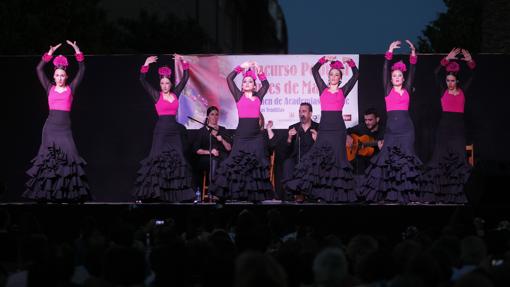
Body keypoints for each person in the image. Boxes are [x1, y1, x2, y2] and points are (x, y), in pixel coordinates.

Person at [285, 55, 359, 202]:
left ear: (340, 78)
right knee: (321, 160)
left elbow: (356, 75)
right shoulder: (323, 89)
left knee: (337, 161)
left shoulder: (343, 91)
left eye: (337, 75)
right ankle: (319, 194)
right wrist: (324, 59)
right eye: (331, 74)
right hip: (324, 129)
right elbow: (314, 70)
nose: (333, 77)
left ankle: (336, 196)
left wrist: (350, 63)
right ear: (329, 76)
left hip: (338, 130)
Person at [24, 41, 90, 202]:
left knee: (70, 158)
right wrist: (49, 54)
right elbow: (38, 69)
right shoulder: (49, 88)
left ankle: (69, 194)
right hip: (50, 129)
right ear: (54, 76)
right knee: (49, 160)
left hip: (65, 130)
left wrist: (77, 51)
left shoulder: (71, 88)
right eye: (57, 75)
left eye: (62, 75)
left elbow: (82, 69)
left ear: (66, 76)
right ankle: (46, 194)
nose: (60, 78)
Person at [359, 40, 422, 204]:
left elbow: (413, 71)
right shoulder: (387, 89)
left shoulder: (407, 89)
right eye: (394, 76)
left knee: (406, 161)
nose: (396, 78)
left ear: (403, 78)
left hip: (407, 130)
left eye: (399, 76)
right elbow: (385, 70)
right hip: (392, 131)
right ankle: (388, 195)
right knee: (387, 161)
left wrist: (413, 54)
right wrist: (389, 52)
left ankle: (408, 196)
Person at [134, 55, 194, 202]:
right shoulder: (156, 95)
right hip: (161, 131)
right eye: (162, 83)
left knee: (177, 159)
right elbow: (142, 80)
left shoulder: (175, 94)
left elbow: (185, 77)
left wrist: (182, 61)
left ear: (170, 84)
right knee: (157, 160)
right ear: (160, 84)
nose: (165, 85)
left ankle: (176, 195)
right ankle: (153, 193)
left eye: (167, 83)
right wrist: (145, 64)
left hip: (174, 131)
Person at [209, 61, 272, 201]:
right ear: (242, 86)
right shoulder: (239, 96)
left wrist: (260, 71)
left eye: (250, 81)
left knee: (255, 166)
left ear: (254, 86)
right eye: (245, 82)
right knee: (236, 164)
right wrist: (241, 67)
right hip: (241, 137)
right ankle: (230, 194)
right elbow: (229, 78)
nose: (248, 83)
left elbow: (266, 85)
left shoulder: (258, 97)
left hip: (256, 137)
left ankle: (253, 196)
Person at [422, 48, 476, 204]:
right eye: (448, 80)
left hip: (458, 129)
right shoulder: (442, 91)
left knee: (459, 160)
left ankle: (460, 195)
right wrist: (446, 59)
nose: (450, 83)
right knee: (439, 159)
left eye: (452, 80)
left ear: (457, 81)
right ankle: (438, 194)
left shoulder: (463, 91)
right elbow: (435, 73)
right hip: (444, 129)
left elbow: (473, 75)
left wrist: (469, 61)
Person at [193, 106, 232, 194]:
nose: (214, 117)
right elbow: (197, 150)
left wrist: (222, 140)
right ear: (208, 116)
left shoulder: (223, 130)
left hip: (222, 158)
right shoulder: (202, 131)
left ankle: (222, 191)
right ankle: (213, 190)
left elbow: (229, 148)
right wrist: (210, 152)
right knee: (213, 160)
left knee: (226, 161)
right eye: (212, 114)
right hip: (207, 158)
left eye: (216, 115)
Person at [282, 103, 319, 183]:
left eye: (304, 111)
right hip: (297, 160)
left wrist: (317, 140)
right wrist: (289, 138)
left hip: (312, 160)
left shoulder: (318, 128)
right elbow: (286, 151)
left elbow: (324, 149)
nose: (301, 114)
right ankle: (291, 192)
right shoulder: (293, 128)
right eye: (300, 111)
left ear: (310, 113)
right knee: (288, 163)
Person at [346, 108, 384, 175]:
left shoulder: (383, 131)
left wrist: (383, 147)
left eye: (370, 120)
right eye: (365, 120)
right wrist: (348, 136)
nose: (367, 122)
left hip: (376, 162)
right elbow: (347, 131)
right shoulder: (362, 127)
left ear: (377, 119)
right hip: (360, 162)